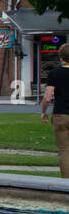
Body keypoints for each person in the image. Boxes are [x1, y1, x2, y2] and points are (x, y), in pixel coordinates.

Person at [40, 42, 69, 178]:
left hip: (61, 114)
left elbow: (47, 97)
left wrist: (44, 111)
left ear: (61, 58)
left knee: (64, 151)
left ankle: (66, 182)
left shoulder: (54, 73)